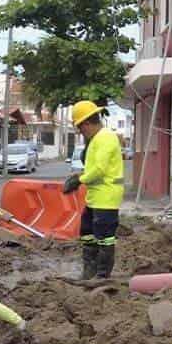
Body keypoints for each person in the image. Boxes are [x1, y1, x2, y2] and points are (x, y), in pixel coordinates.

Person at [63, 100, 125, 280]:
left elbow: (99, 170)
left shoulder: (106, 138)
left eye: (80, 129)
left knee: (104, 237)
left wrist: (78, 179)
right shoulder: (97, 138)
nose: (81, 133)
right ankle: (89, 271)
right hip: (96, 197)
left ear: (87, 124)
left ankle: (102, 276)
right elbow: (93, 168)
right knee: (87, 232)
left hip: (107, 197)